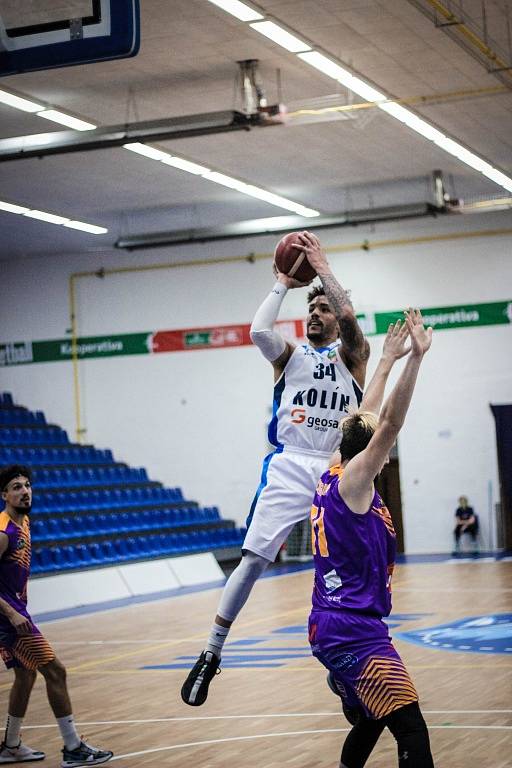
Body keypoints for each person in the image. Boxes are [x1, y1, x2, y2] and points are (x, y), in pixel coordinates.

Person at [181, 230, 372, 706]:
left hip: (336, 468)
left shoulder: (352, 357)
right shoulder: (291, 355)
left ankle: (345, 664)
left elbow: (352, 323)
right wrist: (284, 283)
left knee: (351, 568)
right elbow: (259, 332)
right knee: (252, 560)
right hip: (290, 464)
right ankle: (211, 652)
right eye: (311, 309)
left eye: (322, 309)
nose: (315, 314)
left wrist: (324, 270)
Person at [308, 308, 435, 768]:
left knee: (371, 718)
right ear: (372, 452)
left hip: (335, 622)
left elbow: (366, 415)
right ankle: (349, 683)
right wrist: (415, 360)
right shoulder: (356, 483)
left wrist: (385, 360)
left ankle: (350, 693)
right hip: (353, 632)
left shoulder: (335, 468)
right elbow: (389, 423)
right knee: (411, 727)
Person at [0, 465, 113, 767]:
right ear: (4, 495)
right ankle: (73, 747)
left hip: (14, 615)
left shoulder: (23, 522)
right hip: (8, 621)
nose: (24, 491)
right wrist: (11, 614)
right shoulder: (3, 530)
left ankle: (10, 746)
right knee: (56, 671)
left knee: (25, 675)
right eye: (16, 487)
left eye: (27, 485)